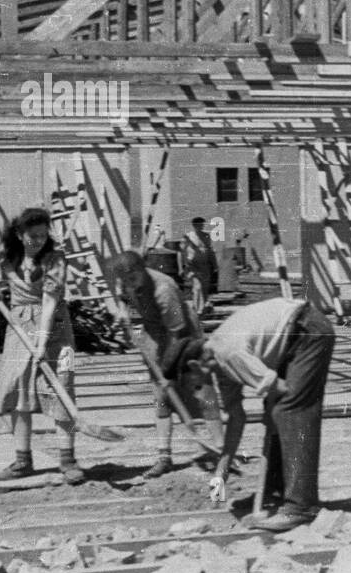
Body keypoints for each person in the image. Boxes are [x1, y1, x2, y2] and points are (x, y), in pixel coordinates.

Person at [162, 296, 335, 532]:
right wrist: (220, 475)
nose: (196, 391)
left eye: (192, 385)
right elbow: (237, 418)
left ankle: (300, 507)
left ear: (194, 366)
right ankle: (276, 491)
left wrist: (272, 401)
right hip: (292, 335)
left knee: (289, 409)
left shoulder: (228, 354)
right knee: (277, 410)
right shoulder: (217, 364)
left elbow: (281, 389)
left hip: (307, 330)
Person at [0, 207, 85, 484]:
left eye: (43, 235)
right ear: (19, 234)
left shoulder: (55, 259)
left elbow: (50, 303)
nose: (39, 240)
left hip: (56, 330)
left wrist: (41, 343)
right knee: (18, 389)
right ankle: (22, 461)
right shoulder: (9, 256)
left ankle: (68, 461)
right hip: (18, 328)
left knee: (61, 387)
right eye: (33, 236)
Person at [107, 250, 212, 479]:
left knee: (197, 393)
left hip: (182, 336)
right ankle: (164, 457)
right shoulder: (126, 278)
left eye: (132, 279)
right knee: (161, 398)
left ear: (143, 270)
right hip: (154, 332)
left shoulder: (164, 290)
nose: (128, 284)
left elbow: (176, 333)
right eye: (125, 281)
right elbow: (123, 296)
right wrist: (123, 313)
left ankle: (216, 448)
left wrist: (167, 369)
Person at [182, 218, 218, 316]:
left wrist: (215, 265)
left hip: (205, 265)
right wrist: (183, 265)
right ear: (194, 225)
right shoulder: (188, 236)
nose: (201, 226)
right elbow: (182, 251)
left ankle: (201, 310)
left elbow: (210, 251)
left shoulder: (206, 236)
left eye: (202, 224)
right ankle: (197, 310)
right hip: (193, 266)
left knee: (205, 288)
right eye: (198, 225)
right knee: (197, 286)